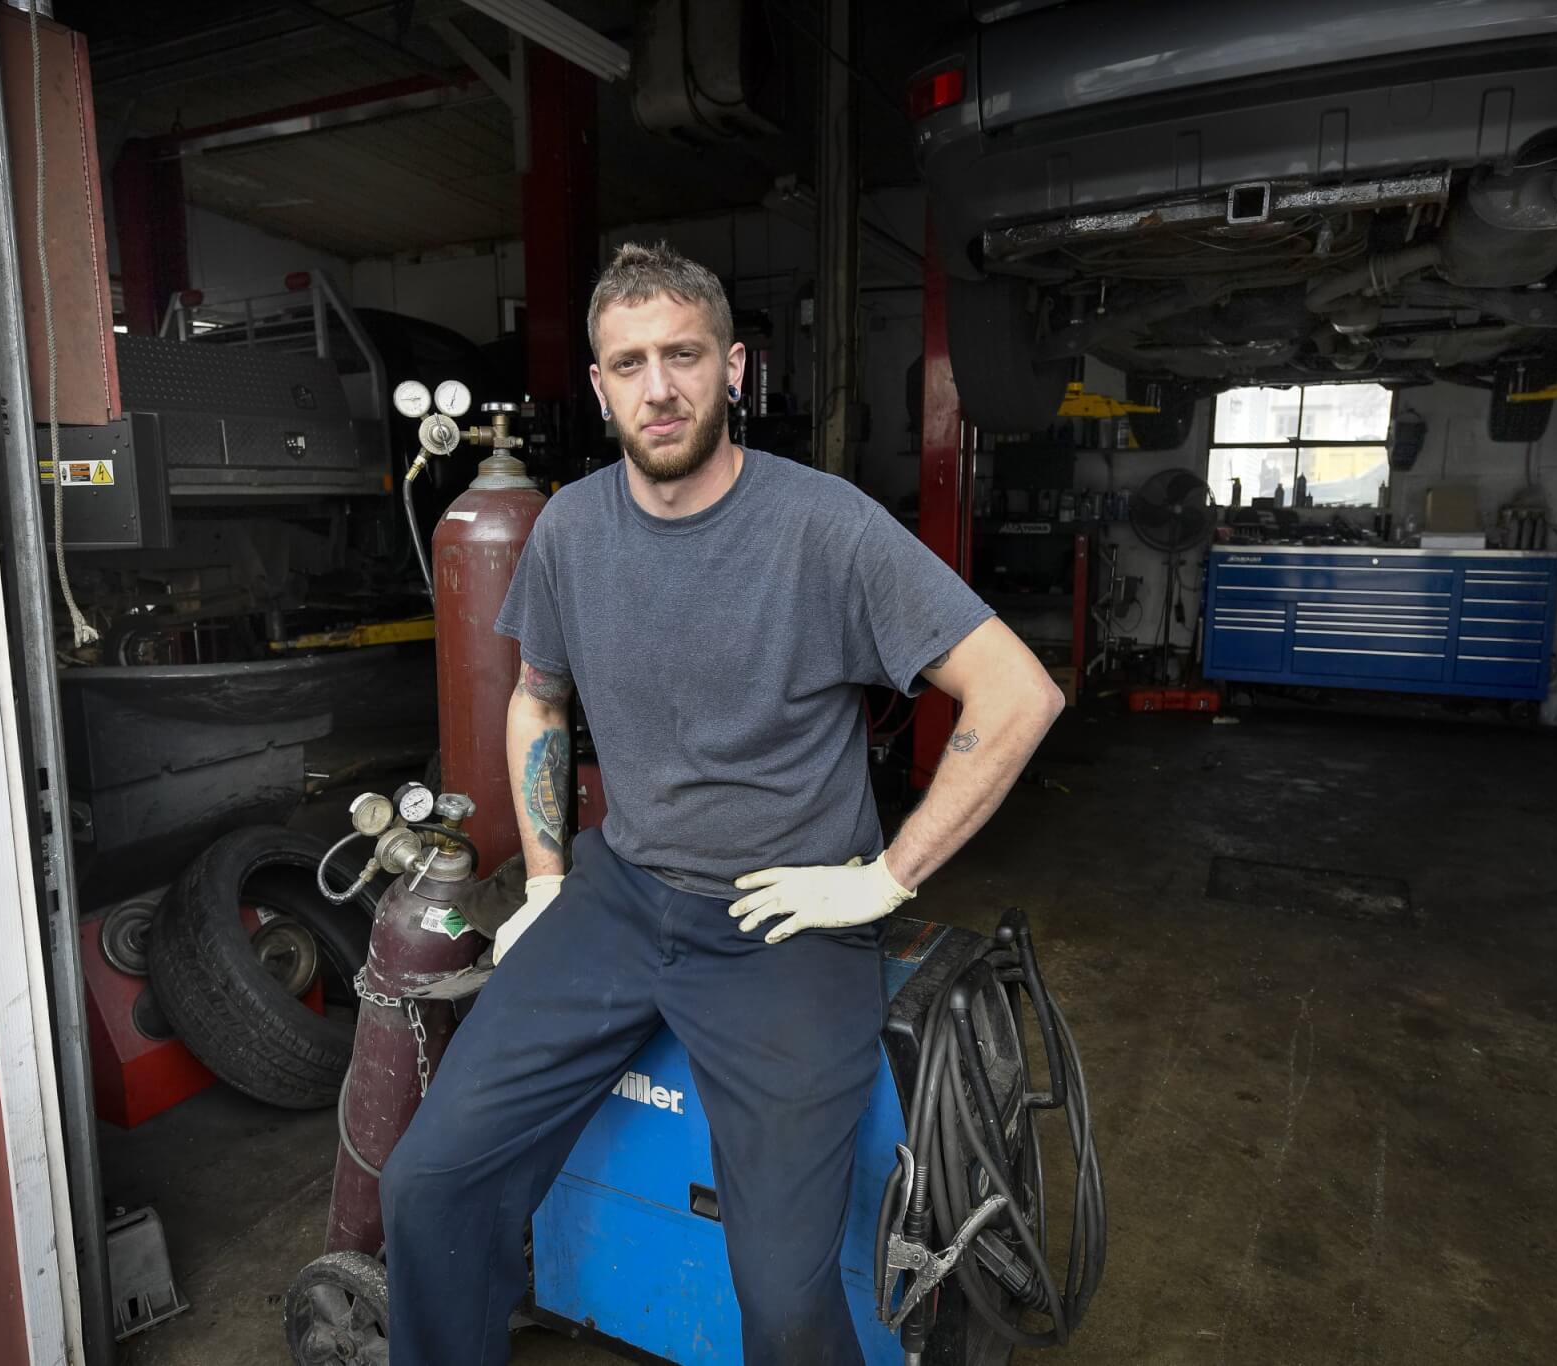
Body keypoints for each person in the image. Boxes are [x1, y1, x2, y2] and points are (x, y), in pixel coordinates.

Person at [379, 241, 1064, 1365]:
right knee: (426, 1181)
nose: (659, 386)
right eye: (629, 362)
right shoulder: (569, 530)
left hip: (777, 925)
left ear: (732, 368)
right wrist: (548, 881)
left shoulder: (822, 525)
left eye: (684, 355)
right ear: (597, 386)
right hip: (617, 893)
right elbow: (536, 700)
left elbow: (1016, 690)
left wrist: (883, 878)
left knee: (784, 1298)